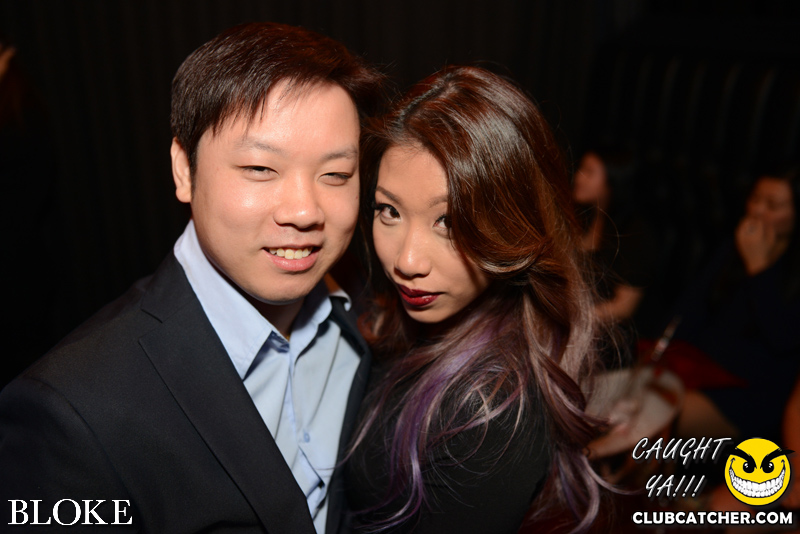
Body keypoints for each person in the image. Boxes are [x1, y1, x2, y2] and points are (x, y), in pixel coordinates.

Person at [0, 22, 382, 533]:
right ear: (184, 170)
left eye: (335, 175)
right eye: (260, 169)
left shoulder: (371, 316)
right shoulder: (72, 411)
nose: (304, 210)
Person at [344, 66, 607, 533]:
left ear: (514, 227)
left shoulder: (493, 415)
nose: (406, 260)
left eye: (448, 221)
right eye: (390, 210)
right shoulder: (401, 314)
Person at [674, 166, 800, 439]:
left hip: (752, 393)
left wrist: (758, 269)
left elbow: (783, 337)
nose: (758, 210)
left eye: (773, 206)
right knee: (641, 402)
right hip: (703, 370)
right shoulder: (734, 244)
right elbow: (692, 309)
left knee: (665, 414)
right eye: (755, 198)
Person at [572, 147, 657, 327]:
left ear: (614, 180)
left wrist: (572, 317)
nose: (579, 178)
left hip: (601, 333)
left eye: (589, 172)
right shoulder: (584, 216)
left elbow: (624, 307)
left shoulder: (634, 233)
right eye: (581, 169)